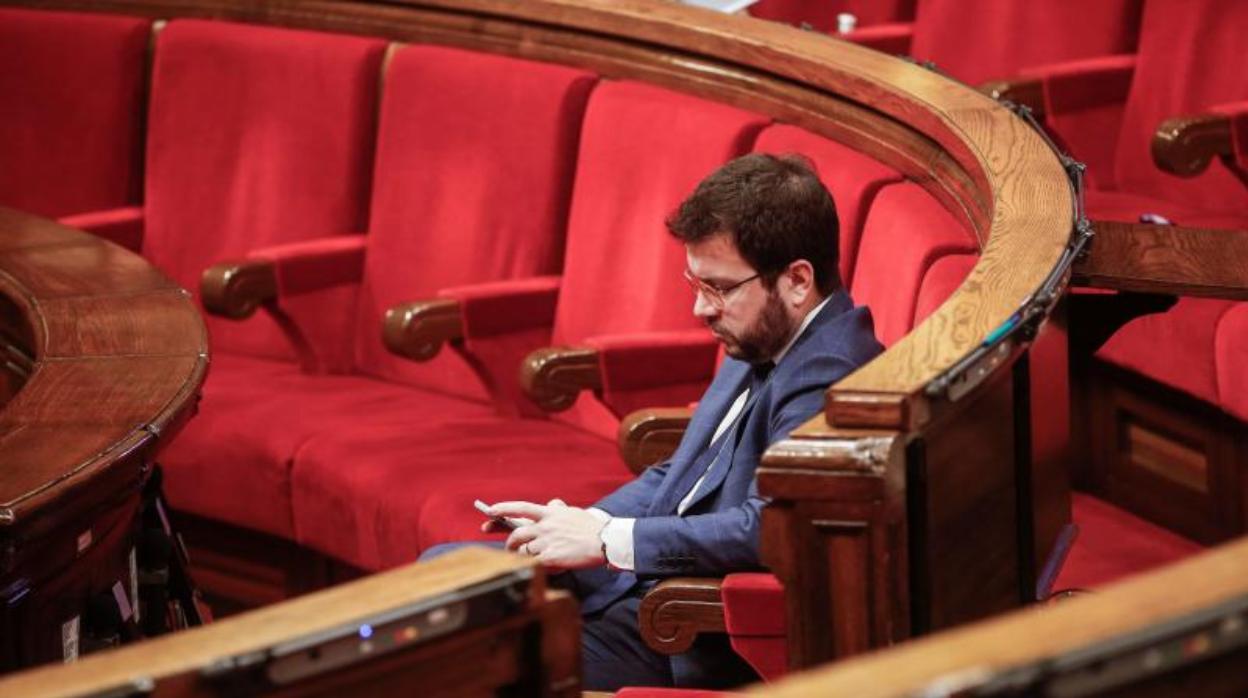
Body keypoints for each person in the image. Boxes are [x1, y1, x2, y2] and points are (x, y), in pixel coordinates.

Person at [475, 153, 882, 690]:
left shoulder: (831, 373)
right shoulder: (763, 333)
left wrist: (609, 541)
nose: (700, 310)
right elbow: (681, 473)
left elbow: (774, 526)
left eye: (717, 288)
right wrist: (581, 522)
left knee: (465, 645)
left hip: (685, 630)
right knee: (451, 576)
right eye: (694, 284)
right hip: (640, 589)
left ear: (797, 280)